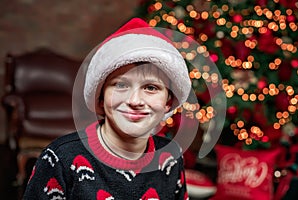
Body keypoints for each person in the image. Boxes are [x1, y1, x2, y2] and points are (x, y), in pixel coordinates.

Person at [23, 17, 192, 199]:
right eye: (120, 85)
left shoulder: (171, 157)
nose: (135, 100)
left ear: (168, 102)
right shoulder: (60, 159)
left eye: (151, 88)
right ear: (101, 98)